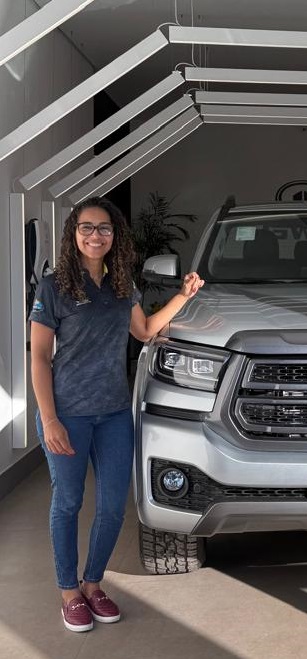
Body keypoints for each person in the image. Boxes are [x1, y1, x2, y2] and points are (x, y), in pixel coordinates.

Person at [29, 196, 204, 633]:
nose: (95, 235)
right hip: (67, 413)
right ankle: (68, 592)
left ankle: (92, 584)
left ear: (114, 235)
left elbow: (143, 331)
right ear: (73, 234)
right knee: (68, 503)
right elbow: (39, 357)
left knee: (112, 507)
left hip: (112, 414)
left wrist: (183, 297)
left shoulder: (122, 283)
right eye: (87, 227)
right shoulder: (53, 287)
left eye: (104, 228)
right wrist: (49, 420)